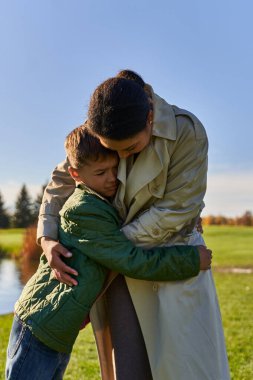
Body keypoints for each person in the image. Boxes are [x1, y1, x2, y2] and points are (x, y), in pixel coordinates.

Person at [37, 70, 230, 379]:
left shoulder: (187, 133)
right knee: (129, 369)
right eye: (113, 150)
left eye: (130, 148)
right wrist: (47, 238)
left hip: (169, 263)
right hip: (121, 275)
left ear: (150, 118)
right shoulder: (99, 129)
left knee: (186, 368)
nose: (120, 157)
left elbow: (177, 210)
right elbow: (63, 179)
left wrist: (109, 248)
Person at [6, 126, 212, 380]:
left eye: (115, 169)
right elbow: (131, 260)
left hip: (57, 330)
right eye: (101, 172)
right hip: (39, 327)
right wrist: (191, 259)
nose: (112, 178)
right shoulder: (84, 211)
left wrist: (185, 220)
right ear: (75, 174)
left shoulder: (100, 202)